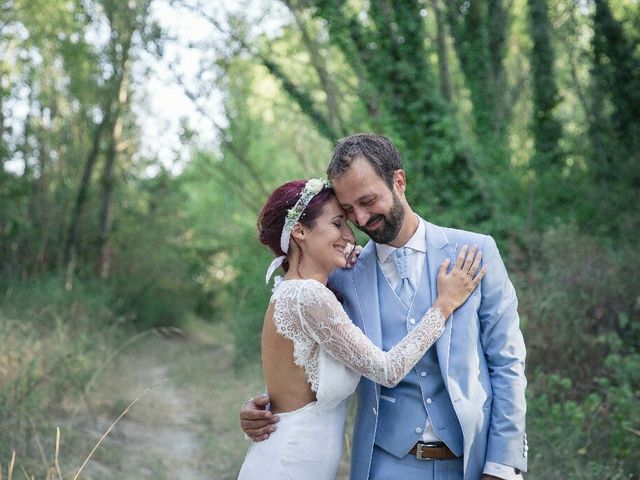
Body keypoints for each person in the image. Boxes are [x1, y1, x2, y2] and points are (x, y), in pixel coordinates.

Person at [240, 134, 528, 480]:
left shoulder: (475, 252)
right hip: (385, 464)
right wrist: (269, 405)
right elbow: (308, 353)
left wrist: (502, 465)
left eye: (368, 201)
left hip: (471, 460)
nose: (360, 220)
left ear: (399, 182)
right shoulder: (341, 278)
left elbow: (507, 362)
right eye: (347, 212)